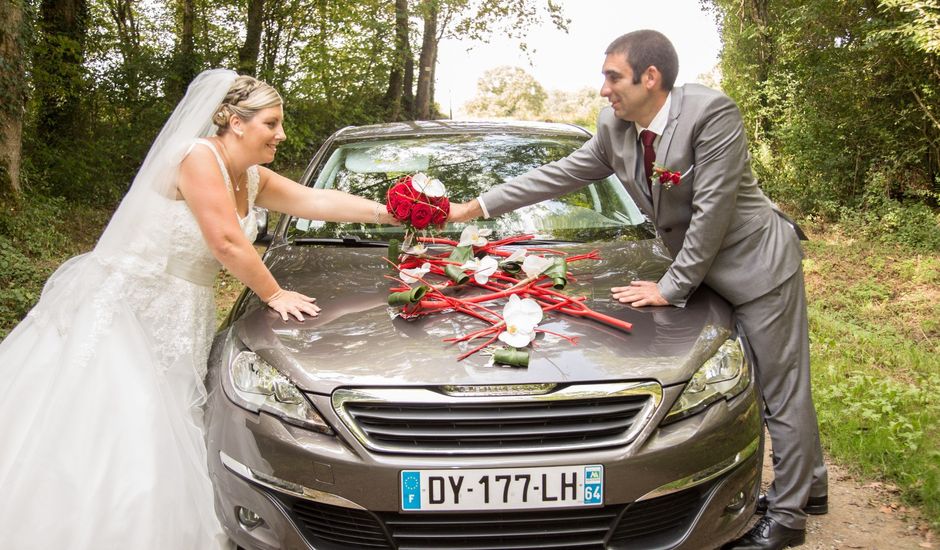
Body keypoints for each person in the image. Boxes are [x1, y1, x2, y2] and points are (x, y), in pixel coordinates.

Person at [448, 30, 828, 550]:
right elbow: (560, 174)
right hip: (704, 272)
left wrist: (670, 289)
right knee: (765, 381)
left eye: (613, 77)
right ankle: (814, 486)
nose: (604, 90)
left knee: (781, 388)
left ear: (650, 78)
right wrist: (477, 207)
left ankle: (788, 517)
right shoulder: (615, 127)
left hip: (758, 267)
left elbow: (712, 214)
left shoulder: (711, 114)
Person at [0, 69, 396, 549]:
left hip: (185, 307)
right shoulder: (196, 157)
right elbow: (227, 241)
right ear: (234, 121)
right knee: (126, 413)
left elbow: (316, 199)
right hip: (134, 307)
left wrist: (392, 212)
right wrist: (275, 294)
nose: (281, 134)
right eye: (271, 123)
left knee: (169, 413)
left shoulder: (249, 176)